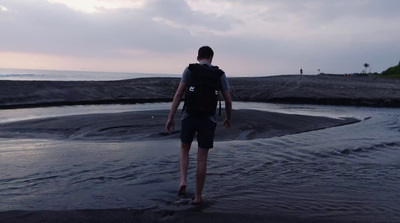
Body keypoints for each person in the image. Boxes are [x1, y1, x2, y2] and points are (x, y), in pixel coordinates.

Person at [165, 46, 232, 204]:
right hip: (208, 119)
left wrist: (170, 117)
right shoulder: (219, 74)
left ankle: (182, 180)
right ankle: (198, 197)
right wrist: (229, 118)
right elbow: (228, 99)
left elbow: (179, 93)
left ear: (198, 57)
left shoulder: (189, 70)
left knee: (184, 149)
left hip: (189, 116)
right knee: (202, 159)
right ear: (211, 58)